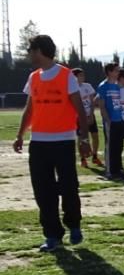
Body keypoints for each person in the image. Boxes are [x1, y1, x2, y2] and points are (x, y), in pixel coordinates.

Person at [13, 35, 90, 251]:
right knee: (43, 190)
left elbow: (80, 110)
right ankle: (52, 235)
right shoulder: (33, 77)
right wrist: (20, 134)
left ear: (39, 51)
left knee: (68, 187)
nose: (29, 54)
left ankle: (74, 224)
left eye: (31, 50)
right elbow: (29, 109)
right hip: (38, 142)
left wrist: (83, 138)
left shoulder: (66, 76)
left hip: (63, 141)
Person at [97, 61, 124, 179]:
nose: (118, 72)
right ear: (109, 72)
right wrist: (107, 120)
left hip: (119, 119)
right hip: (110, 121)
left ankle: (118, 169)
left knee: (118, 146)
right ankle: (110, 171)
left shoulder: (116, 85)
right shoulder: (103, 86)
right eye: (116, 70)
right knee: (110, 146)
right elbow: (102, 105)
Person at [72, 68, 102, 168]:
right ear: (74, 77)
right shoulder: (72, 88)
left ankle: (95, 156)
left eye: (83, 75)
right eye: (80, 75)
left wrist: (91, 114)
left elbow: (92, 101)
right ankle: (83, 158)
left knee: (95, 135)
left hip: (90, 114)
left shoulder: (87, 86)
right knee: (81, 138)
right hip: (79, 117)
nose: (82, 77)